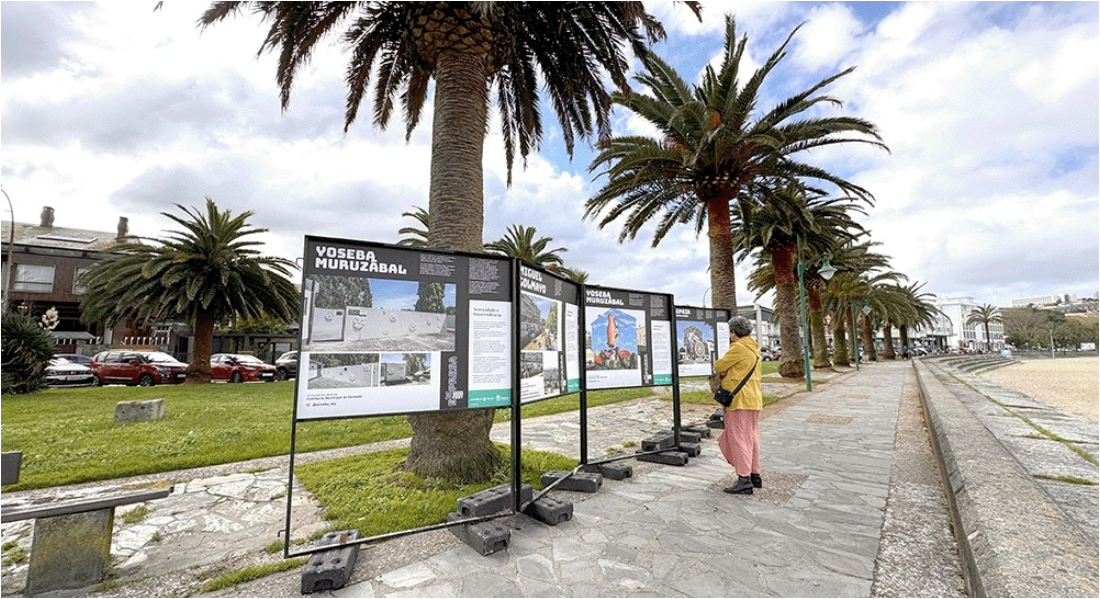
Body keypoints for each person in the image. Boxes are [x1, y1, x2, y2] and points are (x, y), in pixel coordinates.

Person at [713, 316, 764, 495]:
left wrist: (724, 370)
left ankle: (744, 478)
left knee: (738, 438)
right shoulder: (754, 347)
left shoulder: (738, 347)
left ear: (734, 332)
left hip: (739, 401)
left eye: (730, 332)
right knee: (752, 437)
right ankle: (754, 473)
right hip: (754, 399)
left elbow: (719, 366)